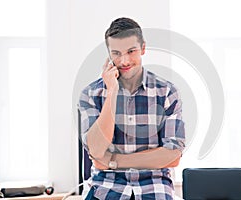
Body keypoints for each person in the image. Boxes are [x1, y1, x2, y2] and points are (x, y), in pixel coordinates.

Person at [78, 17, 185, 200]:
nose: (124, 60)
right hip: (106, 186)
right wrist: (111, 92)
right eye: (117, 53)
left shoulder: (167, 92)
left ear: (143, 48)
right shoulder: (90, 94)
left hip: (154, 186)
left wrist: (113, 161)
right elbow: (96, 152)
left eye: (131, 51)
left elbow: (173, 156)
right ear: (109, 54)